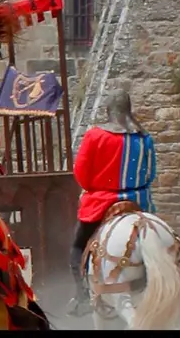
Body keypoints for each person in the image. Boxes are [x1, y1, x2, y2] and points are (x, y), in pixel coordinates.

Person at [68, 86, 157, 313]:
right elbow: (150, 174)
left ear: (108, 111)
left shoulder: (95, 135)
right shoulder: (145, 138)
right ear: (129, 111)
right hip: (140, 202)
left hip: (102, 203)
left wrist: (94, 188)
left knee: (78, 248)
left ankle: (82, 296)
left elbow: (81, 173)